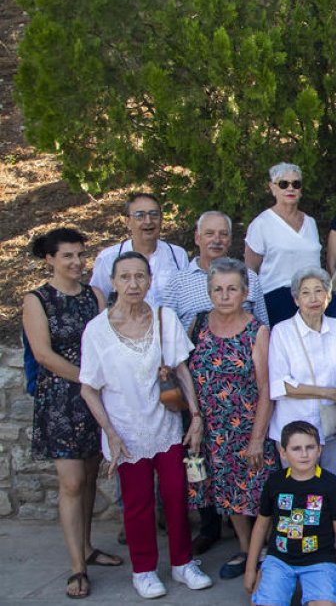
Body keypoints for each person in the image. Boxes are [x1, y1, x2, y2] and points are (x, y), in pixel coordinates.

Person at [79, 252, 213, 599]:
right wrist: (110, 433)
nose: (133, 284)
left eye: (140, 276)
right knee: (138, 503)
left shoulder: (164, 318)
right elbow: (88, 388)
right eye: (125, 277)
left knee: (176, 495)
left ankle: (183, 563)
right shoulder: (97, 331)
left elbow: (181, 369)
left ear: (150, 280)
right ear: (113, 282)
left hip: (165, 426)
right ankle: (144, 570)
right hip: (125, 430)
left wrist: (196, 416)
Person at [23, 228, 119, 599]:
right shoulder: (37, 300)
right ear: (50, 259)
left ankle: (87, 547)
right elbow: (43, 354)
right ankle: (77, 567)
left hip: (94, 399)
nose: (77, 262)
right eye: (68, 256)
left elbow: (107, 341)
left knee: (91, 475)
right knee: (72, 481)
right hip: (61, 398)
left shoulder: (95, 295)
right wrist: (87, 379)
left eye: (80, 254)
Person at [186, 257, 277, 580]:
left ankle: (265, 551)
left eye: (232, 289)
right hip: (212, 429)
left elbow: (266, 388)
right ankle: (244, 548)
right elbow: (187, 373)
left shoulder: (257, 331)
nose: (224, 296)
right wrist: (195, 418)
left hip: (248, 426)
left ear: (245, 292)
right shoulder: (198, 324)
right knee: (227, 493)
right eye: (218, 289)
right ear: (209, 291)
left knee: (258, 491)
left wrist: (257, 438)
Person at [244, 421, 336, 606]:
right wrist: (250, 569)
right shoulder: (275, 482)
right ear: (283, 452)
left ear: (319, 449)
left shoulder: (331, 484)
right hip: (279, 559)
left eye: (310, 447)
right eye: (296, 448)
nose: (304, 454)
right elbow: (261, 526)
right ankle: (266, 574)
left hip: (319, 561)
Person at [267, 268, 336, 471]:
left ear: (328, 296)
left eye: (319, 291)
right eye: (305, 293)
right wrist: (325, 392)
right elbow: (281, 385)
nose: (313, 298)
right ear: (296, 300)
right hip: (293, 431)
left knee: (333, 484)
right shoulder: (282, 332)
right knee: (299, 486)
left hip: (332, 427)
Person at [163, 211, 268, 331]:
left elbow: (264, 328)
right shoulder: (177, 282)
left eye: (223, 234)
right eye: (209, 234)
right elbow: (166, 332)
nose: (217, 240)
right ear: (197, 238)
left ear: (230, 239)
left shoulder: (249, 278)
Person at [245, 163, 322, 325]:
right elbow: (251, 270)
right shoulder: (261, 224)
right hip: (276, 301)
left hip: (312, 299)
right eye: (283, 184)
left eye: (296, 184)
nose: (290, 188)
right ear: (272, 187)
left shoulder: (310, 223)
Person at [91, 192, 189, 307]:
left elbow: (186, 300)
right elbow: (98, 301)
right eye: (140, 215)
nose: (148, 221)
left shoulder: (177, 255)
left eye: (154, 214)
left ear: (161, 219)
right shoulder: (109, 258)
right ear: (128, 222)